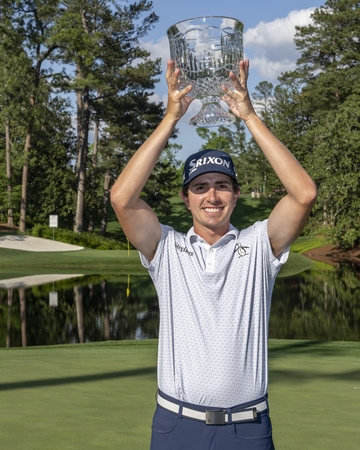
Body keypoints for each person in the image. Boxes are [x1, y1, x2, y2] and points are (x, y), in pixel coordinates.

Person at [110, 59, 317, 450]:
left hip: (248, 428)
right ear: (186, 198)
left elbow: (303, 193)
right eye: (201, 187)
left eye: (222, 185)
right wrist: (171, 118)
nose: (212, 196)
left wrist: (250, 116)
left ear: (236, 195)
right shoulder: (167, 247)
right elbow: (122, 198)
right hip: (176, 425)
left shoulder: (258, 246)